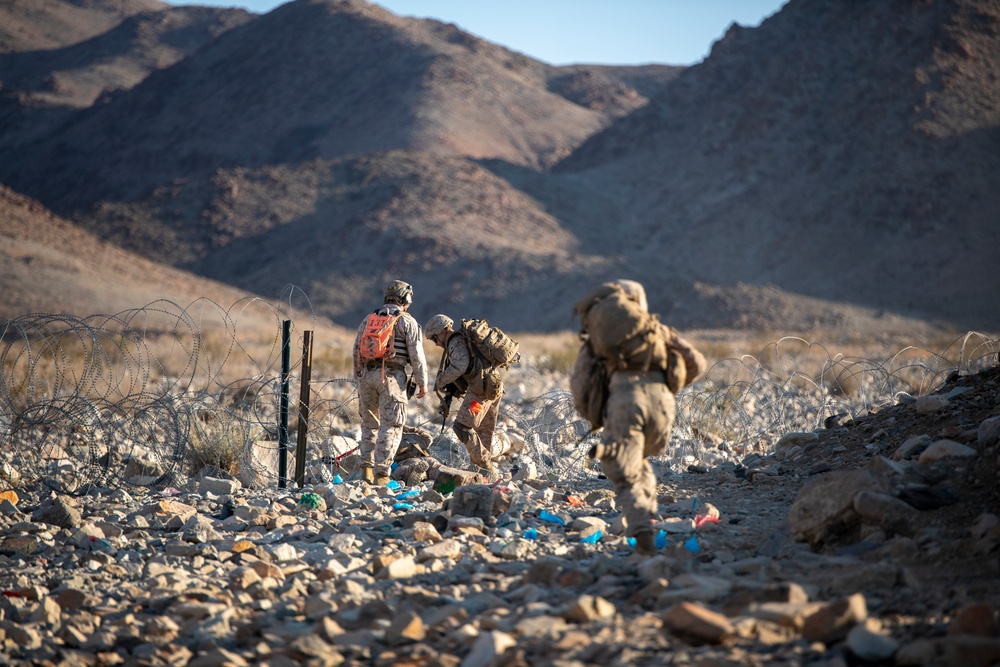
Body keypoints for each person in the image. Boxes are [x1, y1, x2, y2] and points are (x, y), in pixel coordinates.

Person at [576, 279, 707, 555]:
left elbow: (581, 383)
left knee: (622, 471)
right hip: (662, 406)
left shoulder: (600, 336)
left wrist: (594, 413)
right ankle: (646, 511)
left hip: (625, 402)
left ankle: (642, 533)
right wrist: (667, 387)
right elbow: (697, 363)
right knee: (638, 462)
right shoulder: (657, 330)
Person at [352, 280, 428, 486]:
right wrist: (423, 383)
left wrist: (359, 375)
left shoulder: (369, 319)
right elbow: (416, 356)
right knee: (391, 426)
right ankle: (382, 475)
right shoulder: (406, 321)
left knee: (369, 425)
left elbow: (356, 350)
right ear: (406, 298)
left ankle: (366, 471)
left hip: (367, 376)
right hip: (392, 377)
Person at [424, 314, 504, 483]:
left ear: (442, 331)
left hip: (480, 392)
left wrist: (440, 381)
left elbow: (460, 366)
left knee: (462, 427)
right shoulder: (462, 340)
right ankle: (484, 473)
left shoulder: (455, 342)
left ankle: (485, 464)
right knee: (483, 430)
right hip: (493, 387)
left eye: (434, 339)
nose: (436, 344)